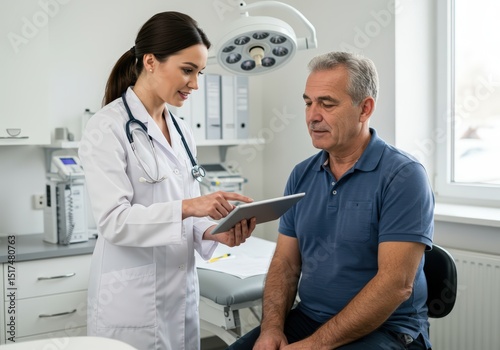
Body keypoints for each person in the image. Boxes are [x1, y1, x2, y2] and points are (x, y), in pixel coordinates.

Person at [227, 51, 434, 349]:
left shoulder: (403, 176)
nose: (313, 116)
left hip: (386, 329)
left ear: (364, 109)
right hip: (309, 318)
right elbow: (285, 263)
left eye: (327, 103)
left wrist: (316, 345)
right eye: (308, 103)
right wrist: (271, 329)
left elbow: (395, 285)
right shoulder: (302, 174)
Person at [78, 12, 256, 350]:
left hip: (180, 296)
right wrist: (191, 206)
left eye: (199, 72)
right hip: (132, 302)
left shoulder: (182, 130)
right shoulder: (107, 127)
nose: (195, 84)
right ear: (150, 62)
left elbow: (184, 216)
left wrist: (217, 231)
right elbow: (115, 222)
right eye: (187, 70)